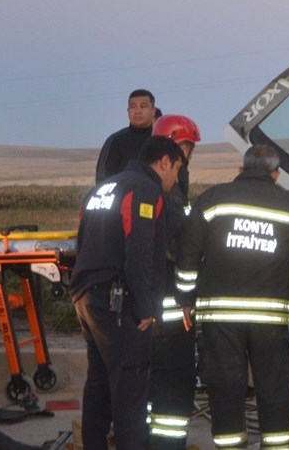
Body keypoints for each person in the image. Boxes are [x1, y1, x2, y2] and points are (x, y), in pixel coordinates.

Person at [177, 144, 289, 450]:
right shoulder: (287, 202)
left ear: (240, 170)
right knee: (273, 387)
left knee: (226, 388)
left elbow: (188, 253)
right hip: (267, 318)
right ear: (275, 174)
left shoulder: (212, 199)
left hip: (219, 316)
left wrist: (186, 299)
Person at [70, 136, 185, 450]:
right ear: (164, 162)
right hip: (117, 301)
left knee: (99, 383)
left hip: (86, 295)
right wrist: (147, 307)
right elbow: (139, 250)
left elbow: (82, 243)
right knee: (130, 388)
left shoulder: (102, 189)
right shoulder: (144, 189)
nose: (176, 179)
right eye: (177, 169)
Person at [146, 115, 202, 449]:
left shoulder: (153, 183)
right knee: (173, 383)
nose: (189, 156)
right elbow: (178, 247)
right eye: (186, 148)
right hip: (169, 309)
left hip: (150, 305)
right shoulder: (167, 192)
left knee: (150, 384)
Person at [95, 89, 157, 182]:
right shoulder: (115, 141)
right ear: (128, 111)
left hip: (157, 196)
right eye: (133, 107)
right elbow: (102, 180)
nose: (138, 111)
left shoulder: (161, 141)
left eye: (143, 106)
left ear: (153, 111)